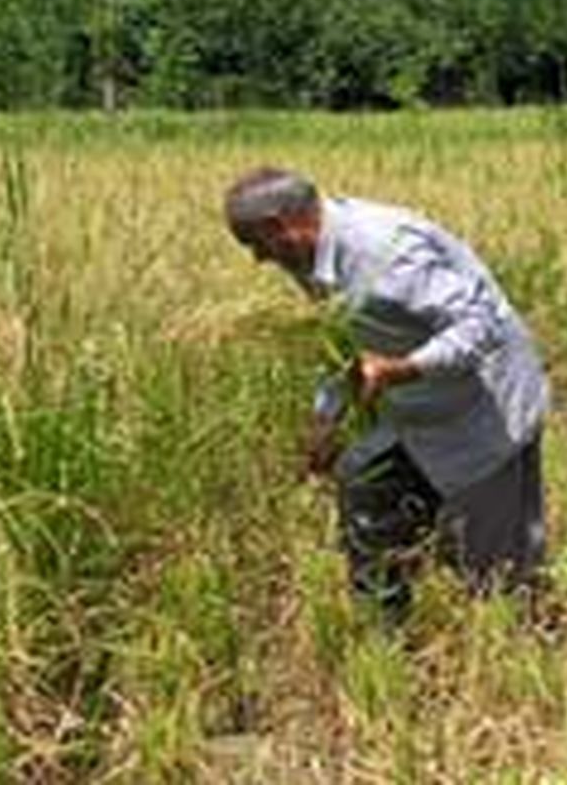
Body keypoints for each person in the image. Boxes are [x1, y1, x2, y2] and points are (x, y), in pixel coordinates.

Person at [223, 167, 549, 622]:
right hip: (413, 405)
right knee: (365, 486)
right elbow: (343, 341)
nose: (259, 259)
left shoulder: (386, 251)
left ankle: (525, 647)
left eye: (256, 245)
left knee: (498, 568)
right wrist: (326, 419)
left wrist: (401, 368)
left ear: (281, 227)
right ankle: (384, 642)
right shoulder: (310, 255)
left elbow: (480, 326)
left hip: (483, 406)